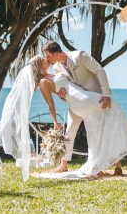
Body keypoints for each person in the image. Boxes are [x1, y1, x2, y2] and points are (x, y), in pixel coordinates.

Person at [41, 41, 117, 174]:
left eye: (48, 56)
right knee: (69, 130)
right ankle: (63, 164)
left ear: (57, 54)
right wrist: (61, 95)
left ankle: (117, 165)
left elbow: (99, 70)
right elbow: (67, 86)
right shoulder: (57, 67)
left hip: (95, 99)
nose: (46, 60)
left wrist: (106, 95)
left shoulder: (79, 56)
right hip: (77, 103)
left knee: (103, 130)